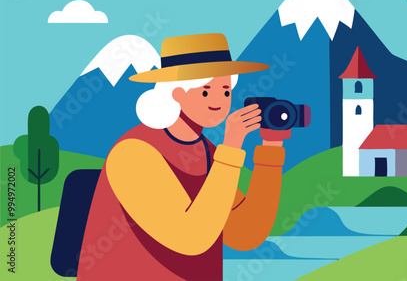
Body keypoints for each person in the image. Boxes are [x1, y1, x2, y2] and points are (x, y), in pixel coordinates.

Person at [77, 33, 291, 280]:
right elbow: (191, 238)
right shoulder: (133, 152)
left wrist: (271, 148)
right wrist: (231, 147)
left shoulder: (210, 152)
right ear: (176, 93)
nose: (219, 102)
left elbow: (244, 234)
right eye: (205, 92)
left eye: (225, 91)